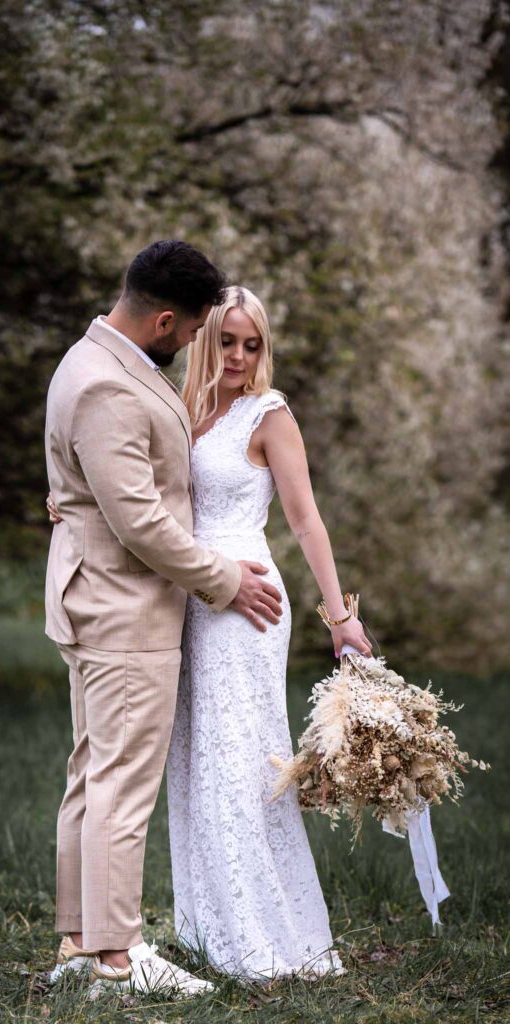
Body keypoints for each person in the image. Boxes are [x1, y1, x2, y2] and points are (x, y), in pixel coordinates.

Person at [44, 242, 284, 999]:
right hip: (124, 607)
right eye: (190, 334)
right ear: (167, 318)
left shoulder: (94, 362)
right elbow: (139, 519)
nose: (193, 348)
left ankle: (81, 945)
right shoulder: (106, 385)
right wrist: (220, 580)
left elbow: (97, 489)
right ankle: (116, 958)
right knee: (119, 782)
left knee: (92, 774)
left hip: (99, 598)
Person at [166, 285, 370, 980]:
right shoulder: (182, 409)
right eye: (226, 340)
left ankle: (261, 936)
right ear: (202, 340)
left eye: (251, 344)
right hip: (189, 600)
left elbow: (305, 520)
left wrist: (338, 618)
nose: (239, 356)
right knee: (195, 757)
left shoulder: (268, 413)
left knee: (240, 760)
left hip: (247, 605)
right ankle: (205, 928)